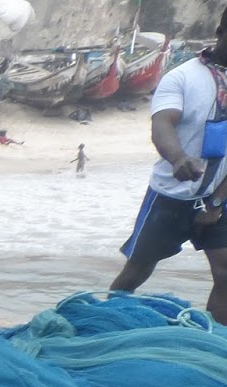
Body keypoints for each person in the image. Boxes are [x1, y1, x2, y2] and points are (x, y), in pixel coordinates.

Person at [111, 5, 227, 323]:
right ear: (220, 33)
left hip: (217, 195)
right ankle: (107, 320)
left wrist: (217, 202)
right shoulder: (182, 77)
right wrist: (178, 158)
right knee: (136, 271)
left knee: (225, 274)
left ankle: (216, 342)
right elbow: (162, 123)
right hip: (169, 196)